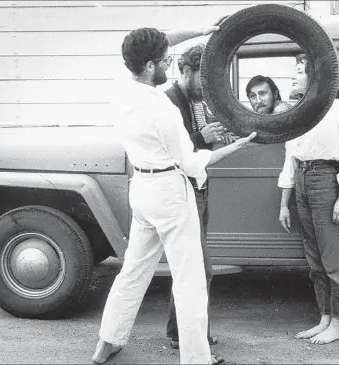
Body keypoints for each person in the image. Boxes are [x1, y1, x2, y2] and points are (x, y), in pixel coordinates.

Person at [91, 24, 257, 365]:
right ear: (151, 66)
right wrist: (238, 146)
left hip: (142, 189)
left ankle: (107, 342)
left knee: (133, 271)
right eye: (165, 61)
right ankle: (197, 358)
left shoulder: (121, 87)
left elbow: (162, 39)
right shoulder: (162, 109)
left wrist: (203, 30)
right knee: (190, 280)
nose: (169, 64)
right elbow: (193, 162)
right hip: (170, 192)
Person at [277, 54, 339, 345]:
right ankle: (324, 317)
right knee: (314, 258)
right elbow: (291, 156)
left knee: (332, 257)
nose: (294, 77)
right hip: (301, 179)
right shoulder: (299, 110)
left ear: (315, 76)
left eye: (299, 71)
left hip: (326, 180)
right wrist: (285, 202)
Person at [164, 43, 232, 350]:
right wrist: (201, 138)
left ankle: (179, 332)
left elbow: (200, 152)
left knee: (187, 267)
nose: (208, 89)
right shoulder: (168, 102)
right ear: (187, 71)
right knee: (200, 270)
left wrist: (216, 139)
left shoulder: (195, 101)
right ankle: (193, 337)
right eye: (204, 81)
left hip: (199, 188)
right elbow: (169, 152)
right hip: (182, 192)